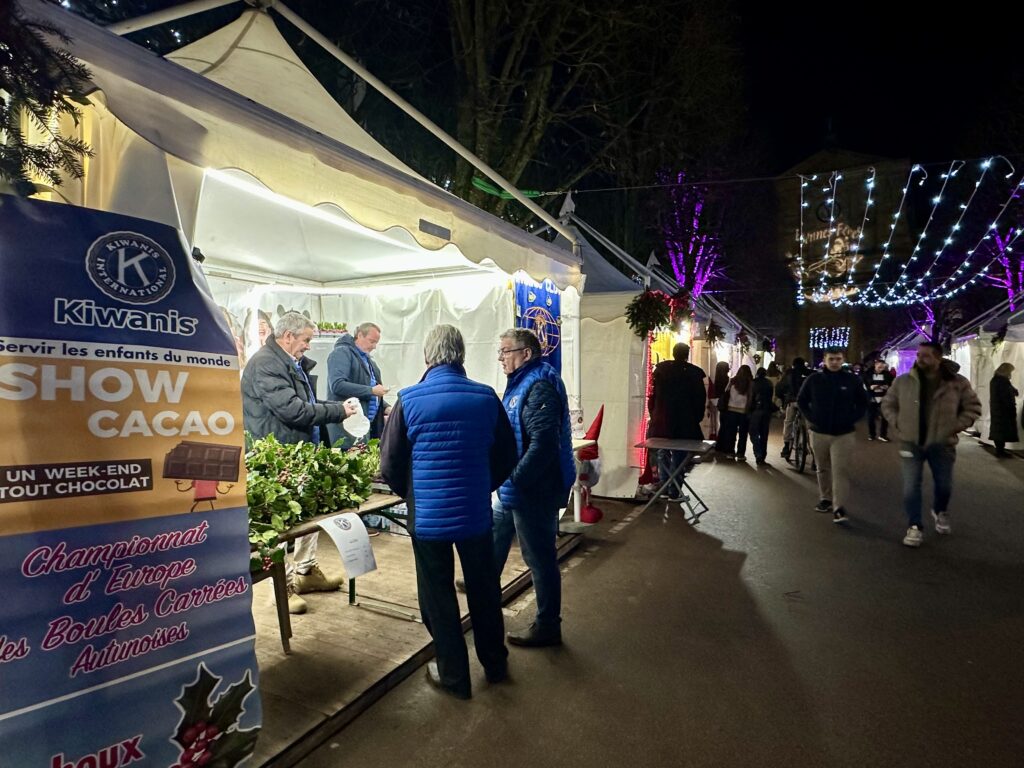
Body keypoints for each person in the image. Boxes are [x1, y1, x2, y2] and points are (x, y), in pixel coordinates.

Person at [380, 325, 517, 699]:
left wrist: (414, 496)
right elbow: (507, 454)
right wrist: (482, 486)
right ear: (462, 355)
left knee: (438, 596)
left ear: (427, 357)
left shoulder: (409, 399)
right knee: (484, 589)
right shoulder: (486, 397)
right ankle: (495, 664)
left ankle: (455, 677)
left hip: (428, 519)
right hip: (475, 514)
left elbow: (389, 463)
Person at [241, 312, 358, 614]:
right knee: (280, 524)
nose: (308, 345)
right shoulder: (266, 363)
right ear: (288, 336)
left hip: (297, 454)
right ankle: (283, 586)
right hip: (276, 457)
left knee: (309, 516)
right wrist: (338, 411)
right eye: (306, 339)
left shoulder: (289, 362)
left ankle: (306, 572)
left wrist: (335, 409)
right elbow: (293, 410)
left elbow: (306, 405)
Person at [494, 328, 575, 647]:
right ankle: (483, 587)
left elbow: (543, 444)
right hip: (517, 486)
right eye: (500, 352)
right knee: (496, 535)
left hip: (534, 489)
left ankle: (548, 626)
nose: (500, 358)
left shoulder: (539, 385)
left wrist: (515, 478)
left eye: (505, 351)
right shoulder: (522, 381)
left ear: (526, 354)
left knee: (539, 558)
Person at [881, 342, 982, 548]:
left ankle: (939, 510)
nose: (920, 359)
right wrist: (898, 422)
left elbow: (973, 407)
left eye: (926, 355)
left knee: (944, 486)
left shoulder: (957, 382)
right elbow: (888, 404)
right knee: (911, 487)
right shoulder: (903, 381)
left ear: (938, 358)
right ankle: (914, 526)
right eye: (919, 355)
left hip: (942, 443)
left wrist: (955, 426)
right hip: (911, 442)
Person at [797, 347, 867, 524]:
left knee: (840, 470)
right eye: (831, 359)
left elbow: (863, 403)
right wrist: (812, 418)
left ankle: (838, 507)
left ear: (843, 360)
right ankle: (825, 498)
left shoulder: (852, 380)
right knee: (822, 467)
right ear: (825, 360)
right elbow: (802, 400)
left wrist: (851, 419)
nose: (835, 362)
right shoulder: (814, 380)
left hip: (844, 434)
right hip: (819, 432)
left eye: (838, 359)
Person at [647, 342, 707, 497]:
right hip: (685, 422)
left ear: (673, 353)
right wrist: (696, 418)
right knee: (679, 455)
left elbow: (652, 396)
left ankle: (664, 485)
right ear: (687, 354)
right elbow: (700, 399)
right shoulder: (694, 373)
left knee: (663, 452)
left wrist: (654, 414)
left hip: (662, 421)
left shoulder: (661, 370)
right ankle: (674, 490)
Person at [326, 322, 391, 448]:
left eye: (376, 343)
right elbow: (337, 385)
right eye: (372, 341)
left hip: (364, 427)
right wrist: (371, 390)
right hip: (347, 428)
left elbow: (370, 392)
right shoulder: (341, 353)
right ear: (360, 335)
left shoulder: (369, 362)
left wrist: (386, 407)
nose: (374, 347)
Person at [716, 365, 754, 460]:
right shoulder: (750, 383)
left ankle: (730, 452)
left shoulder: (732, 381)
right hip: (743, 411)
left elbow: (726, 392)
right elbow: (750, 398)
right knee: (743, 434)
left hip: (731, 410)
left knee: (731, 432)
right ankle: (740, 454)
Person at [777, 357, 811, 461]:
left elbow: (779, 388)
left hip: (792, 401)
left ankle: (786, 446)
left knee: (788, 422)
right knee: (809, 425)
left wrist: (783, 399)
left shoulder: (789, 373)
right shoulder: (810, 373)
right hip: (805, 403)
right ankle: (811, 449)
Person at [988, 363, 1019, 458]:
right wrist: (1010, 406)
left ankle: (1000, 450)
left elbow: (1009, 390)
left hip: (998, 410)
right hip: (1002, 410)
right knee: (1001, 431)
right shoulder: (1001, 381)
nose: (1010, 374)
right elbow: (1005, 395)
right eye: (1010, 371)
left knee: (999, 430)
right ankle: (1000, 451)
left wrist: (1013, 390)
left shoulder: (997, 380)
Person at [862, 358, 895, 441]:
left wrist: (887, 387)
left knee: (885, 417)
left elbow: (892, 384)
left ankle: (883, 435)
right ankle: (871, 434)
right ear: (875, 365)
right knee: (871, 417)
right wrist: (870, 387)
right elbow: (864, 385)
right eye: (879, 367)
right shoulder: (867, 374)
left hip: (884, 398)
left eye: (883, 368)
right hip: (871, 397)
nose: (881, 369)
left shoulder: (888, 375)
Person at [749, 367, 776, 465]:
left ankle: (758, 453)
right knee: (764, 434)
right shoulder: (769, 383)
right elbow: (771, 397)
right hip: (767, 410)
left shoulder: (753, 383)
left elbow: (751, 398)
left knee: (753, 433)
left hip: (756, 410)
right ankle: (762, 456)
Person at [707, 361, 730, 440]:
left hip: (713, 402)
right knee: (722, 422)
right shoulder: (728, 380)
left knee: (713, 422)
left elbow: (709, 392)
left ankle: (714, 436)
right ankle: (721, 438)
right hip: (723, 403)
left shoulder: (712, 379)